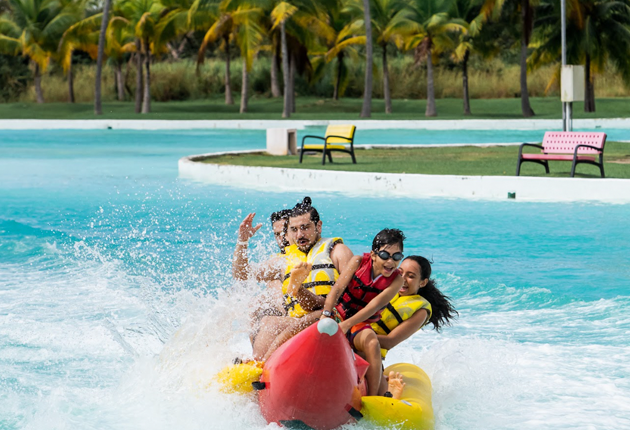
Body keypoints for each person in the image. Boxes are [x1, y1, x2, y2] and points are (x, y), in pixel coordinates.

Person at [251, 197, 354, 360]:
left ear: (318, 226)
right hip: (295, 323)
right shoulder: (284, 260)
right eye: (294, 229)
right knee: (266, 320)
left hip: (330, 321)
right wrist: (242, 242)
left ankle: (259, 365)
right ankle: (258, 366)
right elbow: (242, 274)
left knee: (273, 323)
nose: (300, 235)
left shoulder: (338, 252)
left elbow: (355, 295)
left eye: (305, 228)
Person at [371, 255, 458, 360]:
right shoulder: (385, 288)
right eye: (400, 272)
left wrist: (354, 336)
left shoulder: (421, 311)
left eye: (410, 276)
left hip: (371, 352)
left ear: (422, 282)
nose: (402, 279)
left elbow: (390, 341)